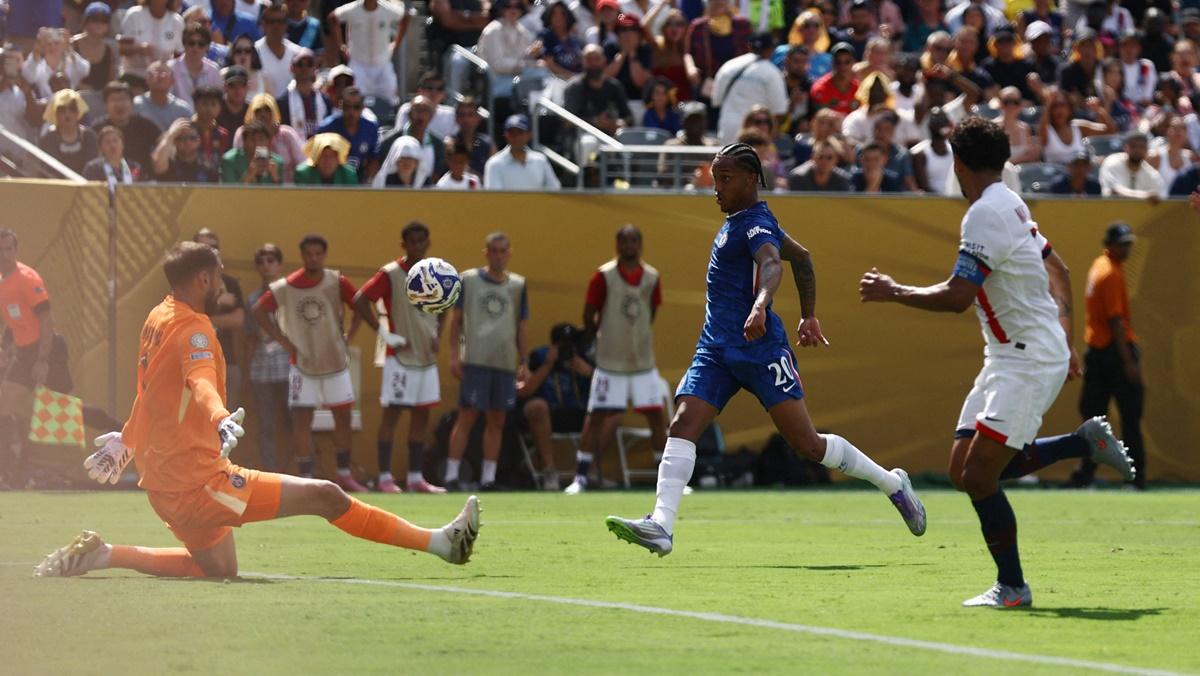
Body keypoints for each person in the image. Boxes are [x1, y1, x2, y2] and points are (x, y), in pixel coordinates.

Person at [33, 242, 479, 580]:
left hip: (167, 484)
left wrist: (126, 443)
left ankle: (103, 553)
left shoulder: (158, 316)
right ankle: (442, 544)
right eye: (220, 273)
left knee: (218, 571)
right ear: (204, 279)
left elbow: (151, 392)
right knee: (325, 495)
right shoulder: (194, 329)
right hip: (199, 483)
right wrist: (218, 417)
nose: (225, 280)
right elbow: (201, 383)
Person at [858, 117, 1134, 608]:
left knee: (982, 476)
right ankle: (1081, 442)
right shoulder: (1011, 199)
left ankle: (1013, 587)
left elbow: (959, 296)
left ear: (958, 163)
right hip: (1013, 353)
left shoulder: (985, 211)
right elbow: (1059, 268)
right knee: (963, 470)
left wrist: (893, 292)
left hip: (1025, 358)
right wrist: (1065, 338)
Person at [605, 143, 927, 557]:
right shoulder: (742, 220)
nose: (716, 187)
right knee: (684, 423)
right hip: (717, 349)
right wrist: (809, 315)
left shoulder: (755, 223)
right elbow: (804, 259)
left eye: (725, 179)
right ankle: (662, 526)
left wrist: (761, 304)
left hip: (760, 349)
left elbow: (772, 262)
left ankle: (892, 484)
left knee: (808, 445)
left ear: (750, 180)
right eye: (715, 177)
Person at [251, 234, 366, 491]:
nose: (313, 258)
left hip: (334, 361)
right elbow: (258, 311)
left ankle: (344, 474)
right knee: (302, 419)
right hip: (302, 363)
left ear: (324, 255)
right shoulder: (287, 286)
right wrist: (283, 341)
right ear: (302, 255)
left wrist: (350, 335)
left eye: (318, 253)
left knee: (343, 417)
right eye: (309, 253)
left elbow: (360, 304)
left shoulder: (336, 281)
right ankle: (306, 478)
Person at [564, 225, 664, 494]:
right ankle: (581, 477)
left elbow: (651, 312)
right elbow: (589, 314)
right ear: (617, 245)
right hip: (610, 363)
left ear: (640, 244)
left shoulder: (652, 277)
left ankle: (664, 479)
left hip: (642, 362)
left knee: (657, 418)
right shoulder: (603, 276)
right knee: (595, 416)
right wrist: (600, 337)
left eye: (634, 240)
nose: (629, 245)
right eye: (624, 241)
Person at [352, 222, 448, 494]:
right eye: (412, 241)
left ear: (428, 243)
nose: (418, 246)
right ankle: (385, 478)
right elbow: (360, 299)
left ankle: (416, 478)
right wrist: (384, 333)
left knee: (421, 415)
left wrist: (438, 333)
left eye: (422, 241)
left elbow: (446, 306)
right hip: (400, 357)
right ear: (403, 245)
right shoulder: (391, 273)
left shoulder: (437, 272)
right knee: (392, 415)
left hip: (426, 357)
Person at [444, 232, 529, 491]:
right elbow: (455, 319)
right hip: (476, 359)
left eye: (503, 250)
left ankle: (488, 478)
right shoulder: (468, 280)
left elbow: (521, 326)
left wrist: (523, 361)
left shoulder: (518, 285)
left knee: (497, 419)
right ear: (486, 253)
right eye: (493, 250)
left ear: (510, 253)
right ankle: (451, 475)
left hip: (504, 361)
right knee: (467, 416)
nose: (498, 255)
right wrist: (454, 354)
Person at [1070, 223, 1145, 490]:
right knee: (1129, 416)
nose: (1127, 249)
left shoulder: (1098, 266)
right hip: (1114, 352)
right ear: (1110, 245)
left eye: (1128, 243)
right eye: (1123, 244)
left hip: (1098, 352)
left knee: (1092, 417)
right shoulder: (1111, 273)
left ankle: (1086, 475)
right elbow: (1116, 321)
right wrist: (1129, 363)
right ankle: (1135, 478)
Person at [0, 229, 71, 486]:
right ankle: (13, 472)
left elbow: (46, 319)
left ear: (16, 251)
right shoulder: (3, 280)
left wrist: (43, 359)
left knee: (65, 412)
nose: (5, 254)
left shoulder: (26, 277)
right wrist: (6, 348)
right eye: (1, 249)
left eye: (10, 249)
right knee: (4, 404)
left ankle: (118, 431)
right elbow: (13, 320)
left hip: (47, 349)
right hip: (24, 352)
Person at [517, 323, 593, 491]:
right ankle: (549, 470)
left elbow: (603, 390)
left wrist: (588, 372)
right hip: (549, 412)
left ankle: (589, 471)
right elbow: (524, 391)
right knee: (537, 407)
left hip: (577, 411)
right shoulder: (539, 356)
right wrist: (547, 365)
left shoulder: (582, 357)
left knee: (606, 413)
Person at [244, 243, 291, 472]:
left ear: (280, 265)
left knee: (294, 421)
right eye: (261, 261)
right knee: (266, 424)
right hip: (262, 367)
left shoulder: (291, 293)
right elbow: (250, 337)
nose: (266, 265)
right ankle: (271, 473)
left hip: (290, 365)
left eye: (271, 260)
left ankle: (299, 471)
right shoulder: (252, 298)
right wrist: (246, 373)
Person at [192, 229, 246, 406]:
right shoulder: (186, 282)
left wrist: (206, 318)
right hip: (195, 362)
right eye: (203, 247)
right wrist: (219, 302)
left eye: (213, 248)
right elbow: (186, 320)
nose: (209, 252)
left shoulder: (229, 283)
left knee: (228, 424)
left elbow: (238, 320)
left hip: (227, 360)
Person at [712, 32, 786, 145]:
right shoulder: (773, 73)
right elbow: (780, 111)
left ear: (749, 46)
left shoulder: (728, 66)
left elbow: (716, 100)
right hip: (755, 138)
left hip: (727, 132)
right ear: (771, 49)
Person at [328, 0, 407, 105]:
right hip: (359, 63)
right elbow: (333, 17)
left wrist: (396, 44)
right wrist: (341, 46)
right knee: (356, 99)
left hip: (383, 64)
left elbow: (405, 17)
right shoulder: (352, 9)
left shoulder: (387, 9)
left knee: (391, 99)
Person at [232, 92, 306, 180]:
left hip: (286, 187)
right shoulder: (243, 133)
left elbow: (303, 164)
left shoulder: (287, 134)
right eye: (258, 111)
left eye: (267, 110)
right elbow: (237, 160)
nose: (263, 115)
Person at [91, 80, 161, 170]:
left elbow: (161, 138)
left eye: (123, 99)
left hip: (142, 180)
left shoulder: (144, 125)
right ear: (105, 105)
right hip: (107, 178)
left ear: (132, 103)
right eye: (114, 100)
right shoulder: (97, 128)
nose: (119, 104)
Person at [1038, 87, 1115, 165]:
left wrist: (1099, 110)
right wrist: (1048, 103)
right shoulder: (1046, 130)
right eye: (1054, 106)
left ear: (1069, 107)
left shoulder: (1079, 126)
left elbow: (1110, 131)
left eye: (1062, 105)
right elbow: (1041, 133)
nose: (1058, 110)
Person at [316, 85, 378, 181]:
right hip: (332, 179)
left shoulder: (371, 128)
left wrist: (368, 182)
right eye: (347, 107)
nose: (351, 112)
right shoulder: (327, 128)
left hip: (360, 178)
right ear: (341, 106)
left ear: (363, 108)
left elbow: (374, 158)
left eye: (356, 107)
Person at [484, 114, 561, 189]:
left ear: (529, 135)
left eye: (520, 133)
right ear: (506, 135)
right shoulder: (494, 163)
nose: (516, 137)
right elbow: (494, 197)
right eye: (512, 133)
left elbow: (554, 189)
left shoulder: (540, 160)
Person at [118, 0, 185, 79]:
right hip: (133, 76)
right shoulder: (133, 14)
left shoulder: (177, 21)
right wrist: (139, 49)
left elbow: (179, 57)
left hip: (162, 79)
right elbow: (121, 49)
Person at [38, 88, 98, 173]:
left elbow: (93, 168)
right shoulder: (48, 138)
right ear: (56, 114)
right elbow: (47, 170)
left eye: (72, 109)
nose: (67, 113)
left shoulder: (89, 136)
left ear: (78, 112)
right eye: (62, 110)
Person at [277, 49, 330, 139]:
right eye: (300, 64)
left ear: (315, 68)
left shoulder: (325, 101)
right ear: (292, 68)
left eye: (309, 64)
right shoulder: (283, 102)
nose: (304, 68)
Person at [255, 4, 303, 99]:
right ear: (263, 24)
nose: (276, 26)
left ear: (286, 25)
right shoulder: (254, 52)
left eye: (280, 21)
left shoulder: (297, 53)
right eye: (271, 21)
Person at [1098, 131, 1163, 201]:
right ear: (1125, 148)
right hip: (1111, 210)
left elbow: (1158, 197)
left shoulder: (1152, 174)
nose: (1137, 150)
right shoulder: (1111, 162)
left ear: (1147, 150)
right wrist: (1145, 196)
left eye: (1141, 147)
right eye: (1133, 146)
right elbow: (1114, 191)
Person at [73, 3, 118, 100]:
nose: (99, 24)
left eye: (104, 21)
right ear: (85, 21)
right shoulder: (72, 44)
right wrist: (80, 87)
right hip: (74, 96)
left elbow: (112, 80)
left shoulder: (109, 50)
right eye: (95, 19)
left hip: (100, 99)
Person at [151, 118, 218, 182]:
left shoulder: (208, 170)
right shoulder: (167, 165)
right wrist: (171, 135)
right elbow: (157, 164)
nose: (188, 142)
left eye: (192, 138)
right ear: (174, 141)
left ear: (199, 141)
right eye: (182, 138)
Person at [170, 22, 223, 104]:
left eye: (201, 44)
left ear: (207, 47)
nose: (196, 48)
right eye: (191, 43)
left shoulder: (214, 71)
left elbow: (218, 102)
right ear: (184, 44)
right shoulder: (171, 68)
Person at [135, 60, 194, 131]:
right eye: (154, 73)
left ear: (172, 80)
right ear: (146, 79)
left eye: (164, 74)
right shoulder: (135, 105)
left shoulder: (182, 109)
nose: (159, 77)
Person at [219, 119, 284, 184]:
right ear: (244, 142)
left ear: (268, 142)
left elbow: (284, 193)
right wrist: (248, 175)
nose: (257, 144)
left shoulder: (277, 162)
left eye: (261, 139)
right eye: (252, 139)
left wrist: (275, 178)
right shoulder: (230, 161)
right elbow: (229, 192)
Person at [911, 108, 953, 194]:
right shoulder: (920, 153)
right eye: (936, 120)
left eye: (943, 120)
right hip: (933, 201)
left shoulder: (955, 151)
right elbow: (924, 187)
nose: (940, 123)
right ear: (930, 125)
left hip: (955, 199)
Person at [808, 42, 857, 116]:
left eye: (847, 62)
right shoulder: (820, 88)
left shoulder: (858, 88)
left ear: (854, 62)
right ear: (832, 63)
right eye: (838, 62)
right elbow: (820, 118)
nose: (842, 66)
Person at [294, 132, 358, 184]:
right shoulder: (303, 174)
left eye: (332, 156)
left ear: (338, 159)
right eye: (323, 156)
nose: (327, 161)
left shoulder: (349, 176)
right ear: (316, 158)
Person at [226, 33, 271, 98]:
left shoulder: (263, 78)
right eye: (238, 51)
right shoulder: (223, 75)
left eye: (247, 51)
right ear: (233, 54)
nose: (243, 55)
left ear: (253, 55)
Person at [216, 63, 252, 137]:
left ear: (248, 87)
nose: (237, 90)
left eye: (242, 85)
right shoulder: (216, 109)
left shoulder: (252, 111)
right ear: (225, 87)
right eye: (232, 85)